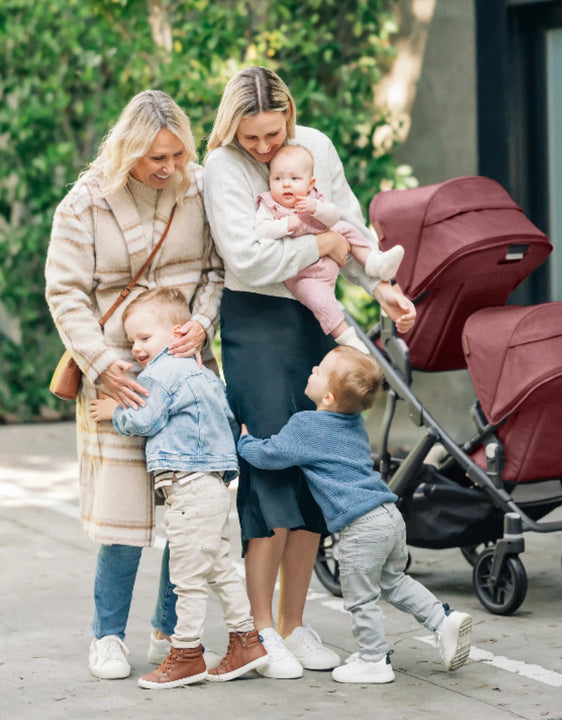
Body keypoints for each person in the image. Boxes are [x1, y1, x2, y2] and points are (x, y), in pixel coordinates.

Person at [203, 65, 417, 679]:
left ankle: (295, 625)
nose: (266, 148)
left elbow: (345, 233)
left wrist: (382, 290)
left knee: (316, 472)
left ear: (289, 116)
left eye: (274, 134)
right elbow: (246, 255)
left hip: (313, 317)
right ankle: (260, 630)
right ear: (232, 129)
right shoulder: (221, 167)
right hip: (256, 324)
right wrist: (319, 248)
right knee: (269, 476)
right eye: (252, 139)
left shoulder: (315, 146)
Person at [45, 90, 224, 680]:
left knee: (192, 504)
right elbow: (65, 291)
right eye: (155, 157)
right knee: (121, 516)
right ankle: (107, 637)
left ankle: (170, 632)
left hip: (189, 363)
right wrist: (99, 360)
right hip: (118, 369)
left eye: (176, 154)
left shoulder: (197, 187)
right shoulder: (84, 204)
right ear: (127, 150)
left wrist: (201, 322)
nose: (168, 167)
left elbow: (217, 269)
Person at [237, 346, 473, 684]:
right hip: (388, 515)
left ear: (329, 397)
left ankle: (373, 659)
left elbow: (273, 454)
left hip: (360, 528)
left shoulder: (307, 425)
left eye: (319, 370)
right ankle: (442, 620)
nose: (313, 366)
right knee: (394, 581)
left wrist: (244, 443)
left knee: (361, 598)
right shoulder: (354, 425)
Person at [88, 288, 268, 689]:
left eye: (144, 338)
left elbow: (146, 419)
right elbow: (226, 417)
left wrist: (114, 412)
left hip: (186, 487)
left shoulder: (159, 374)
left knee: (186, 578)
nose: (136, 348)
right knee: (219, 569)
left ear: (177, 332)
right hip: (215, 488)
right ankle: (247, 642)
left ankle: (186, 654)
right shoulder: (204, 374)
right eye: (132, 340)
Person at [255, 144, 405, 353]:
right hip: (304, 276)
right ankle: (346, 336)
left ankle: (374, 263)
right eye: (278, 179)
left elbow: (334, 216)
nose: (286, 185)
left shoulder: (313, 198)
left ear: (310, 184)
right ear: (269, 181)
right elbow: (261, 230)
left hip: (331, 258)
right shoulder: (269, 204)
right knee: (321, 301)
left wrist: (315, 208)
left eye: (294, 179)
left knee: (346, 228)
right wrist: (284, 226)